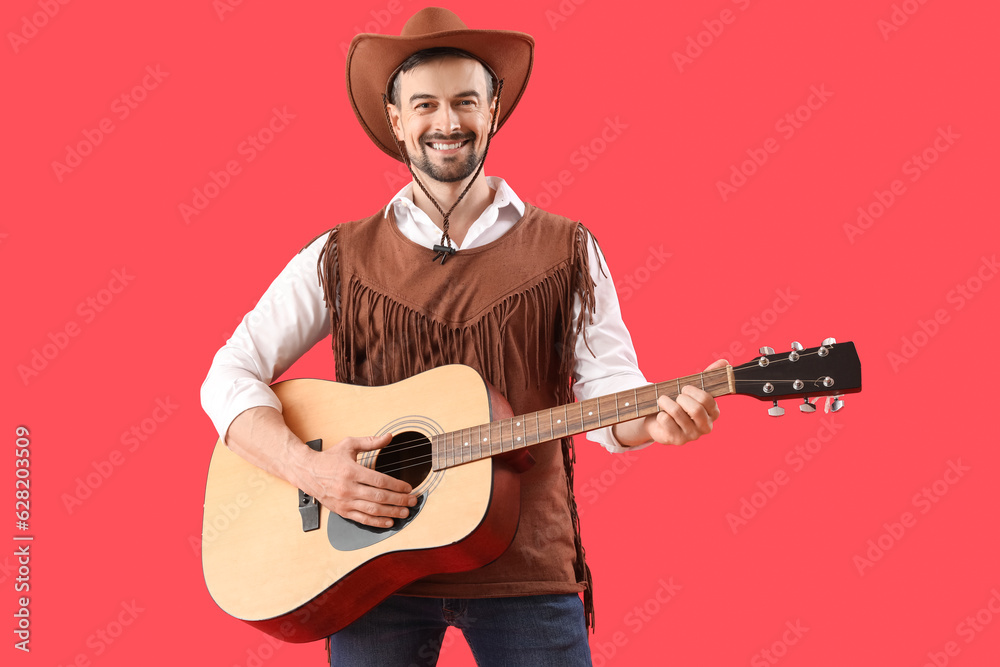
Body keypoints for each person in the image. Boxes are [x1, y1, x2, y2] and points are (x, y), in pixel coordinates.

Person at [200, 7, 722, 666]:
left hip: (527, 567)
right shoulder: (338, 256)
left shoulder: (568, 249)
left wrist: (655, 423)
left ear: (494, 110)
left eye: (465, 102)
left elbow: (612, 396)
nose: (446, 123)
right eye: (425, 105)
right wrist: (312, 471)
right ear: (397, 121)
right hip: (369, 568)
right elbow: (227, 374)